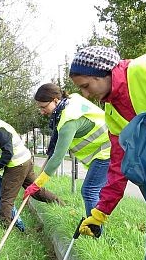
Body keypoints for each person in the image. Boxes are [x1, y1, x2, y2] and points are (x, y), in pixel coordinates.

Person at [67, 46, 146, 237]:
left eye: (86, 86)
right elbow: (119, 164)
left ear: (102, 73)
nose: (86, 94)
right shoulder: (112, 112)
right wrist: (100, 212)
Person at [24, 84, 111, 217]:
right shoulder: (71, 101)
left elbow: (57, 158)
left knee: (89, 190)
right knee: (97, 192)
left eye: (43, 107)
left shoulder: (68, 121)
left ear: (55, 100)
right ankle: (97, 224)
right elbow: (53, 148)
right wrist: (36, 182)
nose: (42, 111)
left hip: (107, 150)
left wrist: (37, 185)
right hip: (107, 148)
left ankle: (94, 231)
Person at [0, 105, 61, 228]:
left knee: (6, 197)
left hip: (16, 166)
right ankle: (60, 204)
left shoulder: (0, 131)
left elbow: (7, 153)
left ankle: (4, 226)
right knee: (35, 190)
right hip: (25, 161)